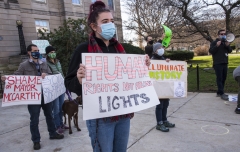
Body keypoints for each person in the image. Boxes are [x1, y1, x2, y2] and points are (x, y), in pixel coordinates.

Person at [64, 1, 150, 152]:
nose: (110, 25)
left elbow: (129, 78)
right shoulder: (83, 50)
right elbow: (69, 83)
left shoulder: (120, 49)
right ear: (93, 26)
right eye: (105, 22)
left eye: (112, 21)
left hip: (123, 113)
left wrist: (143, 67)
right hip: (100, 117)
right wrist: (79, 80)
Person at [1, 44, 64, 150]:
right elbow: (17, 76)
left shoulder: (44, 63)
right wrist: (7, 78)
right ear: (29, 52)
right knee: (34, 119)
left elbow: (50, 74)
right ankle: (36, 140)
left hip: (45, 94)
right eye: (35, 50)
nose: (37, 52)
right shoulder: (24, 65)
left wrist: (46, 75)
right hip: (33, 97)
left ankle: (52, 133)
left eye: (38, 50)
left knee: (49, 115)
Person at [151, 42, 175, 132]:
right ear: (155, 50)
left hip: (165, 86)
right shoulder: (153, 60)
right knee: (160, 105)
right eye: (159, 48)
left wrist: (167, 63)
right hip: (158, 87)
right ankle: (159, 123)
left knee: (165, 104)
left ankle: (164, 120)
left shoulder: (163, 58)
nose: (161, 49)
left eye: (162, 47)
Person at [45, 46, 68, 134]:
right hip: (53, 88)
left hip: (61, 86)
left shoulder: (58, 62)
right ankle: (57, 125)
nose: (53, 53)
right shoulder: (46, 63)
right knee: (56, 108)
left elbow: (61, 72)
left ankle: (61, 124)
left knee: (61, 106)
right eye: (51, 52)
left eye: (54, 51)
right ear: (47, 54)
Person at [209, 29, 232, 100]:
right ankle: (222, 93)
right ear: (218, 35)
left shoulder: (226, 42)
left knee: (224, 78)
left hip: (225, 62)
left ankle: (219, 92)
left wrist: (227, 46)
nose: (223, 35)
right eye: (221, 34)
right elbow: (211, 51)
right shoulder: (214, 42)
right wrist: (217, 46)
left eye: (224, 34)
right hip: (217, 63)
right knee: (219, 78)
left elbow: (230, 51)